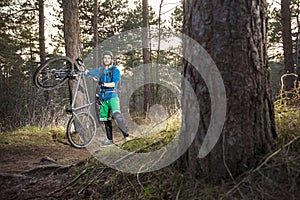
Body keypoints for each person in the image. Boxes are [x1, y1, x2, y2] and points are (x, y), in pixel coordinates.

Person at [86, 50, 130, 147]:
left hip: (112, 96)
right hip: (102, 98)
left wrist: (103, 83)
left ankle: (127, 137)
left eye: (108, 58)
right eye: (105, 58)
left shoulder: (115, 70)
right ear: (103, 59)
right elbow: (88, 73)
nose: (106, 59)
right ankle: (110, 140)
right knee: (106, 120)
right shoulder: (100, 70)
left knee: (117, 115)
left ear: (111, 60)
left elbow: (114, 84)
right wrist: (83, 71)